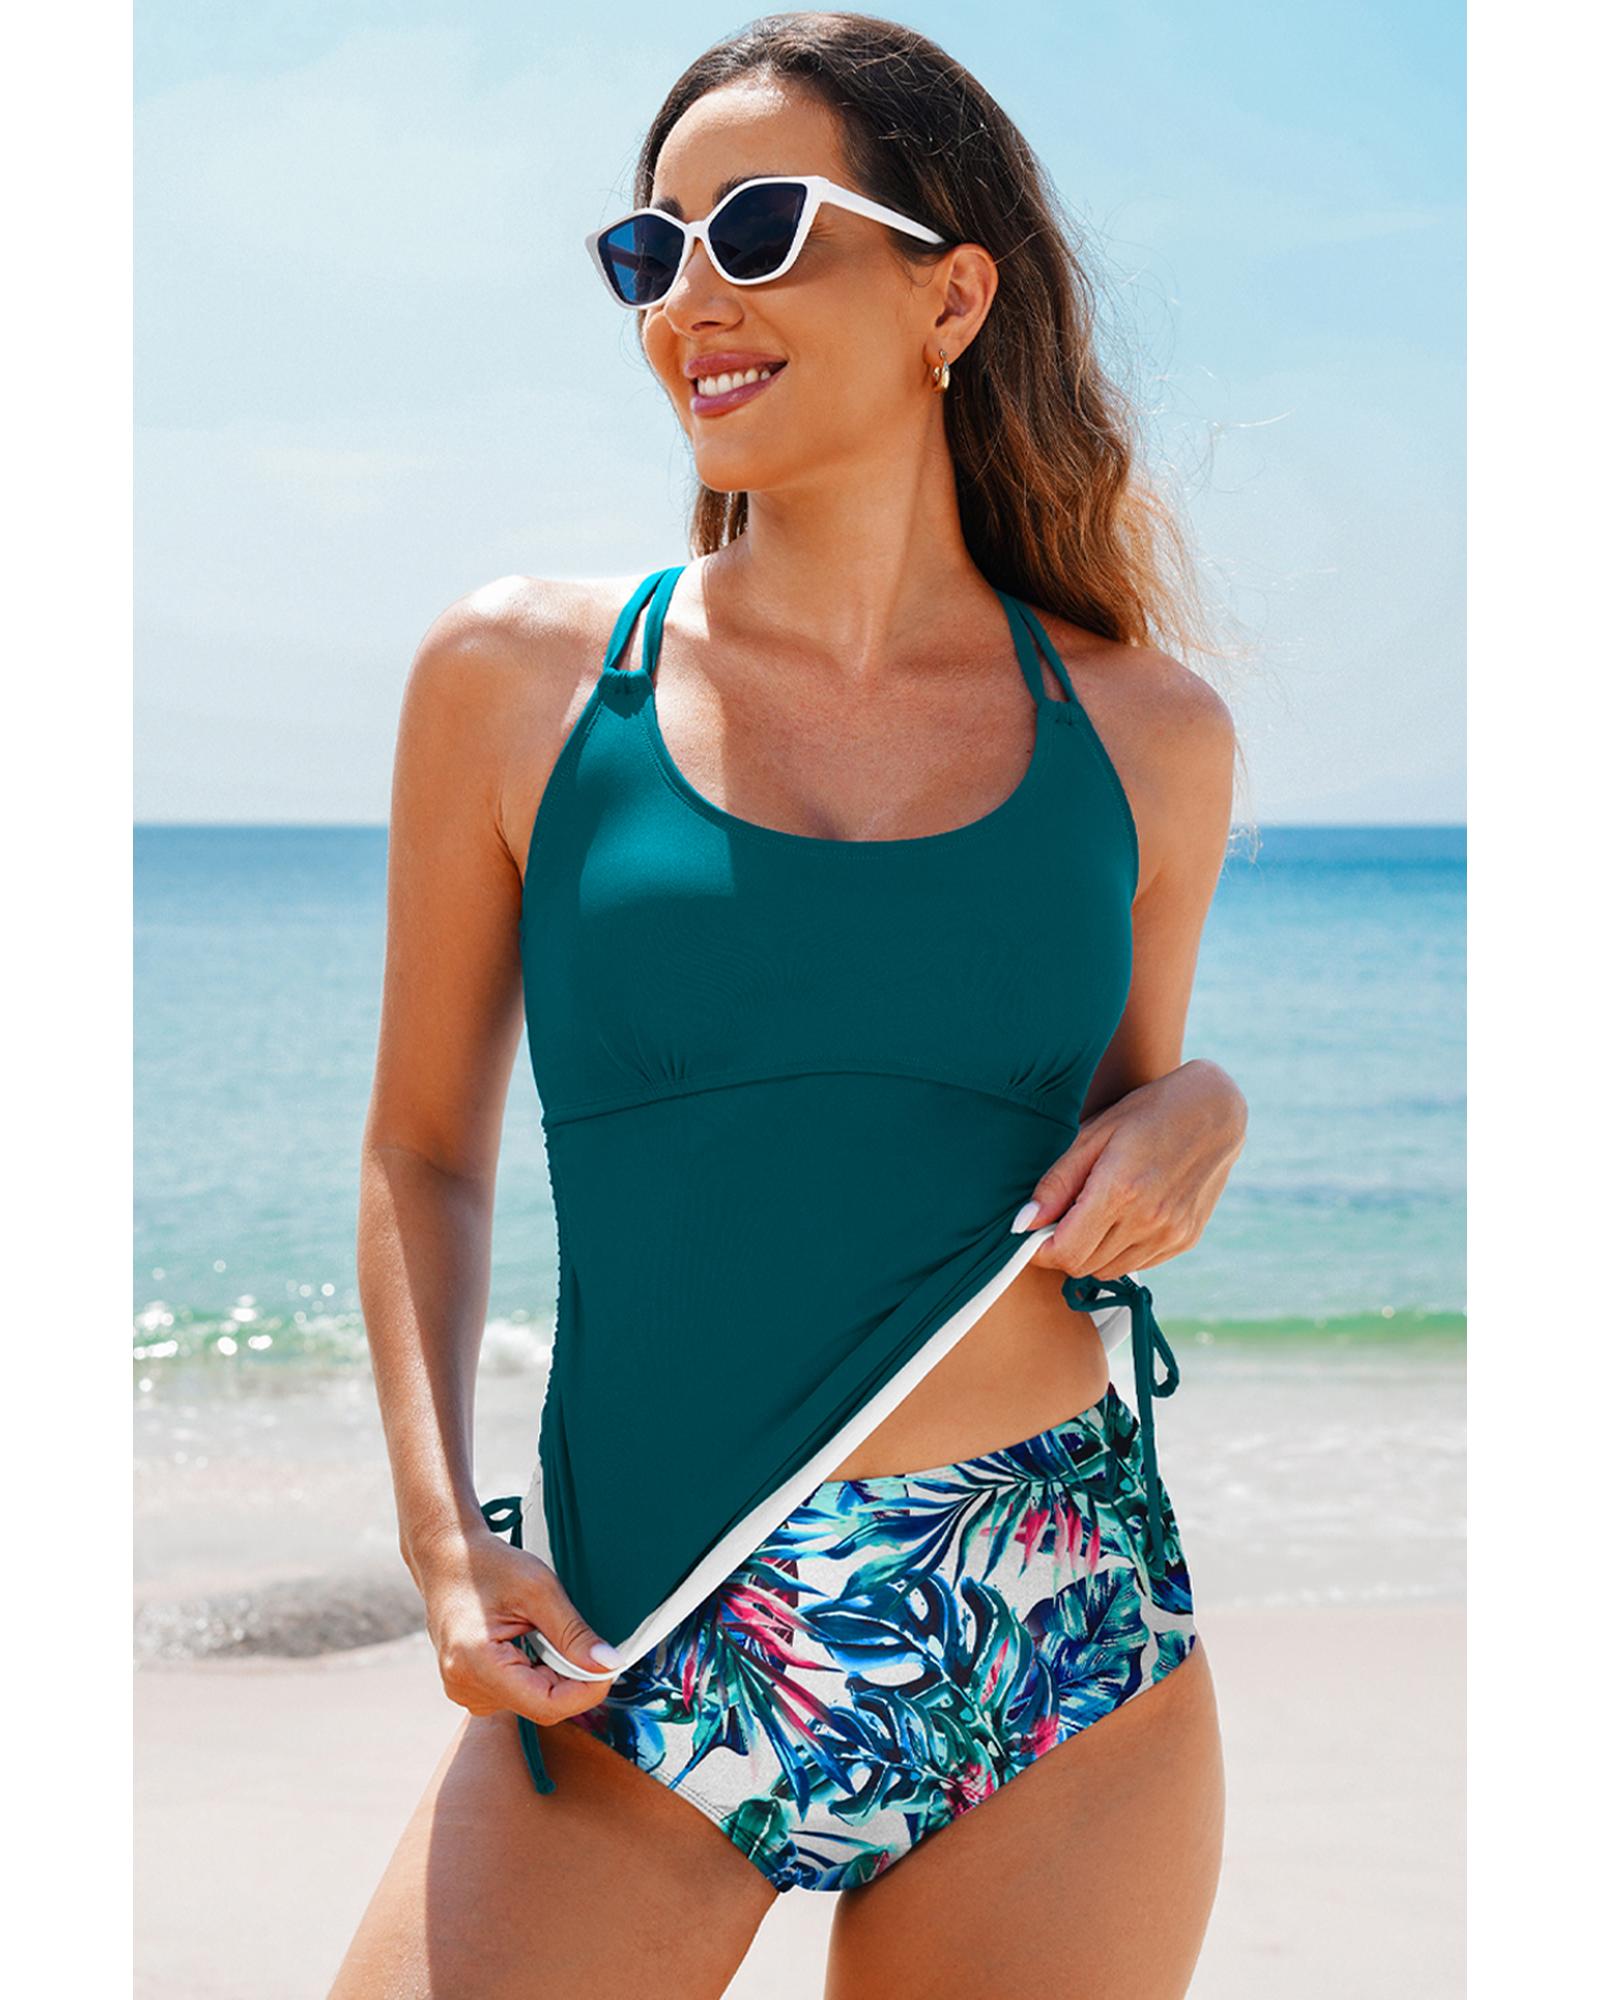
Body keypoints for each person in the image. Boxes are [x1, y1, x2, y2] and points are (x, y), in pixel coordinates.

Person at [333, 14, 1246, 1996]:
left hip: (1054, 1626)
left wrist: (1206, 1112)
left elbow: (1112, 1141)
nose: (689, 298)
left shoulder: (1148, 736)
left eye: (754, 227)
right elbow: (420, 1151)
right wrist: (440, 1536)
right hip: (648, 1622)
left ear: (950, 296)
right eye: (648, 251)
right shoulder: (518, 680)